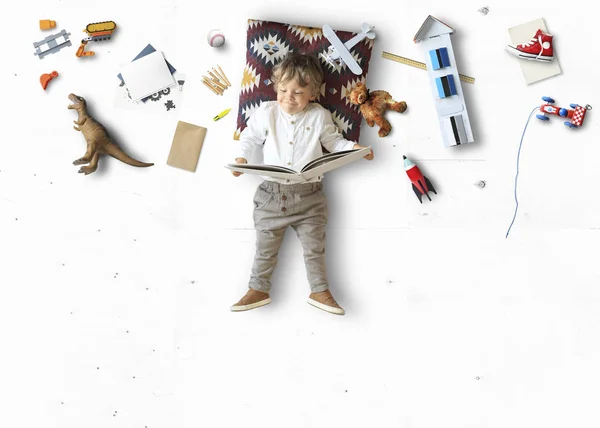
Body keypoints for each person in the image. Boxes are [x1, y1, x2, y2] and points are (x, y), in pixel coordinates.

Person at [230, 52, 373, 315]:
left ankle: (319, 290)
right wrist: (241, 159)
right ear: (275, 87)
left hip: (310, 195)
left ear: (313, 93)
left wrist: (356, 148)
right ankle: (258, 288)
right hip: (271, 195)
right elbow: (249, 137)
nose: (288, 97)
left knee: (315, 248)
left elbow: (333, 142)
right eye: (283, 89)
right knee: (265, 247)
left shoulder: (319, 115)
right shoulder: (267, 112)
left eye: (298, 92)